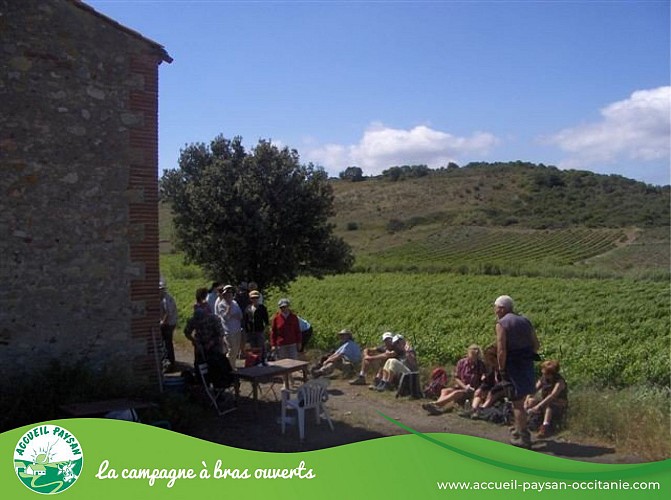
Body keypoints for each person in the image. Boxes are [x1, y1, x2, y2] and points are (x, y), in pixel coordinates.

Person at [494, 295, 540, 448]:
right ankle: (517, 429)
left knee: (517, 403)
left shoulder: (502, 324)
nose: (495, 311)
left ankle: (524, 437)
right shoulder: (525, 321)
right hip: (526, 362)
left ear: (502, 308)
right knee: (523, 398)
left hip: (513, 364)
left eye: (496, 308)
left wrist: (501, 368)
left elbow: (501, 349)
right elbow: (536, 344)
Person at [422, 344, 485, 415]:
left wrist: (476, 388)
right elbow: (456, 377)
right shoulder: (461, 363)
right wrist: (464, 386)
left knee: (456, 393)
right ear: (468, 354)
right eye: (471, 357)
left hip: (472, 390)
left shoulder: (481, 365)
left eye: (475, 358)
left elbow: (483, 381)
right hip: (462, 387)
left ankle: (436, 404)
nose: (472, 360)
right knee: (445, 390)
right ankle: (438, 407)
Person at [183, 304, 233, 388]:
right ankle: (203, 386)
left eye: (202, 321)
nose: (201, 323)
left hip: (215, 345)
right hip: (200, 346)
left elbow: (220, 334)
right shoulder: (193, 320)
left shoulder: (214, 319)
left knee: (217, 367)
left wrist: (211, 343)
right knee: (200, 367)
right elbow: (187, 332)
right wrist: (194, 341)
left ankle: (218, 389)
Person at [524, 360, 568, 437]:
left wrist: (538, 406)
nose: (543, 373)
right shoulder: (543, 378)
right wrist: (527, 400)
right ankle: (526, 421)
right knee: (531, 401)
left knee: (549, 406)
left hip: (558, 403)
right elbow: (533, 390)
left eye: (545, 373)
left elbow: (552, 395)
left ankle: (545, 427)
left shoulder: (559, 382)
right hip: (545, 401)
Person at [215, 284, 243, 369]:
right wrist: (229, 307)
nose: (229, 295)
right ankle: (228, 367)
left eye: (230, 293)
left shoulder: (235, 303)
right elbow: (226, 317)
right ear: (224, 295)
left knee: (236, 349)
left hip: (237, 329)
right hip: (228, 331)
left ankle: (232, 365)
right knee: (231, 350)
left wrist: (233, 315)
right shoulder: (221, 305)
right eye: (227, 293)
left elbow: (240, 315)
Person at [243, 289, 269, 360]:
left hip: (260, 330)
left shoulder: (262, 308)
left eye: (256, 298)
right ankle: (255, 362)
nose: (255, 299)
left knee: (261, 347)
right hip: (251, 332)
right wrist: (247, 332)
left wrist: (266, 329)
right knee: (253, 348)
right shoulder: (247, 308)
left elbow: (266, 320)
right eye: (253, 298)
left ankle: (263, 361)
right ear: (250, 299)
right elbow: (245, 321)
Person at [159, 282, 178, 372]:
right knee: (165, 343)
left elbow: (168, 313)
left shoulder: (167, 299)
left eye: (160, 289)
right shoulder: (161, 298)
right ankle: (168, 362)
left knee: (167, 343)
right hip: (167, 323)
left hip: (169, 324)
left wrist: (162, 322)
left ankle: (169, 363)